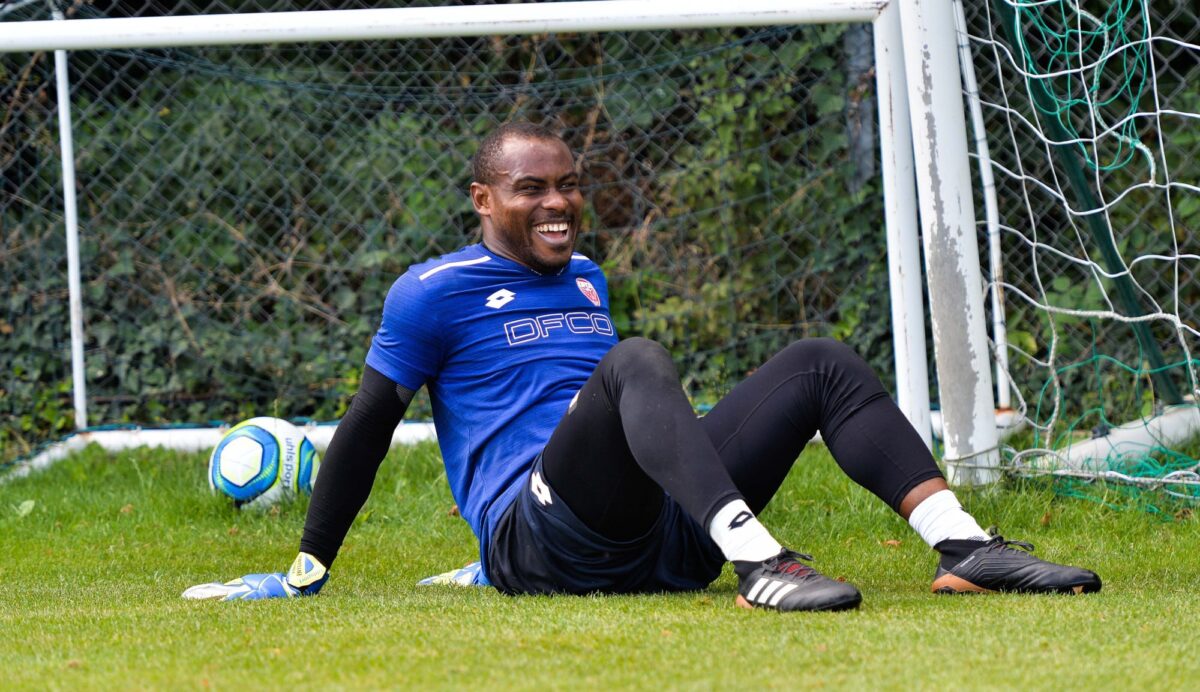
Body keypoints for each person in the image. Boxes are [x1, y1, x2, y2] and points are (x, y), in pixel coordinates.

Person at [184, 122, 1101, 611]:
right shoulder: (432, 292)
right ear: (482, 199)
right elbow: (366, 427)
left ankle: (964, 547)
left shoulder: (587, 277)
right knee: (635, 362)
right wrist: (307, 566)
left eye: (569, 184)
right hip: (536, 544)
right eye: (531, 189)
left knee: (817, 361)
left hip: (660, 537)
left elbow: (620, 429)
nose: (558, 203)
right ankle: (761, 563)